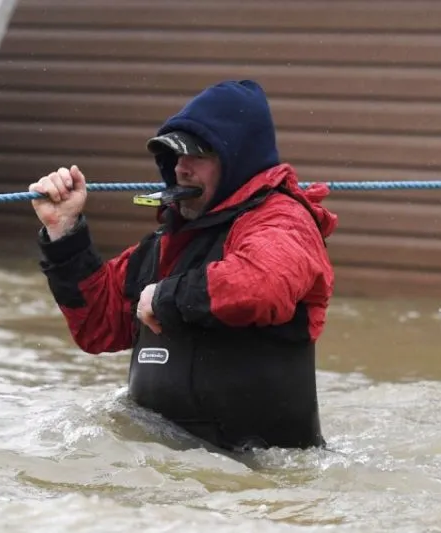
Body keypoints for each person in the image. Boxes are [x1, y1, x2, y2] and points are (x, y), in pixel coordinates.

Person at [29, 79, 338, 453]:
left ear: (237, 158)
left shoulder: (283, 220)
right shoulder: (167, 243)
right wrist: (64, 232)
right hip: (169, 483)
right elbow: (96, 325)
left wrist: (164, 298)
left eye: (198, 155)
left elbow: (263, 284)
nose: (181, 168)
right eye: (175, 155)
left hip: (259, 486)